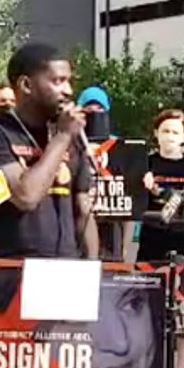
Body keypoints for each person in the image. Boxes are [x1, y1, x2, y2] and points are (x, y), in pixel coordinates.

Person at [0, 43, 97, 262]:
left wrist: (93, 268)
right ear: (26, 85)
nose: (68, 91)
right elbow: (25, 196)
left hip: (66, 265)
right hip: (9, 267)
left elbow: (82, 209)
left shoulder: (69, 132)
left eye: (69, 81)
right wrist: (62, 137)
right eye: (58, 81)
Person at [139, 109, 184, 368]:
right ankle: (150, 366)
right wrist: (142, 186)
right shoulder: (146, 164)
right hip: (151, 240)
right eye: (164, 131)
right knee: (148, 305)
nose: (170, 136)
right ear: (156, 134)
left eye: (175, 132)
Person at [77, 84, 126, 262]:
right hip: (79, 216)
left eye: (99, 107)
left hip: (112, 218)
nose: (93, 111)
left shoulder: (117, 145)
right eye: (88, 107)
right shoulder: (68, 141)